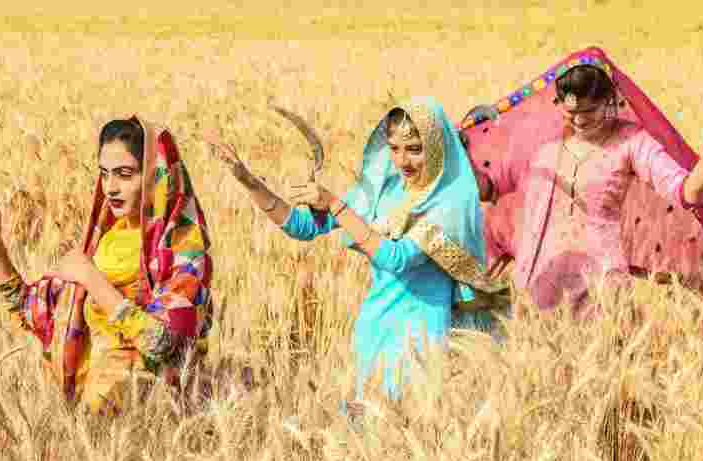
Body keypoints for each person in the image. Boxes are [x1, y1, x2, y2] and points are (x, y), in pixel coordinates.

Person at [207, 97, 507, 403]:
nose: (403, 161)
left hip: (421, 339)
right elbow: (301, 226)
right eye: (394, 148)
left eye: (414, 149)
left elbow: (397, 258)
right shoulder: (385, 192)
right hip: (374, 332)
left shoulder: (448, 205)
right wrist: (247, 180)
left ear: (435, 146)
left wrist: (336, 205)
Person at [463, 48, 703, 334]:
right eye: (570, 111)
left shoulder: (631, 143)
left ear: (610, 101)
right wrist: (456, 151)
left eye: (589, 111)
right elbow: (490, 189)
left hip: (598, 289)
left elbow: (686, 193)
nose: (580, 120)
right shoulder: (542, 145)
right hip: (536, 285)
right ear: (557, 102)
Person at [0, 116, 213, 414]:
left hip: (153, 416)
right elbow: (30, 309)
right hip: (93, 413)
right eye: (105, 174)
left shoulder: (181, 249)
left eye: (125, 174)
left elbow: (165, 343)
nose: (111, 187)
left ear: (156, 176)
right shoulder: (103, 245)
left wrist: (91, 279)